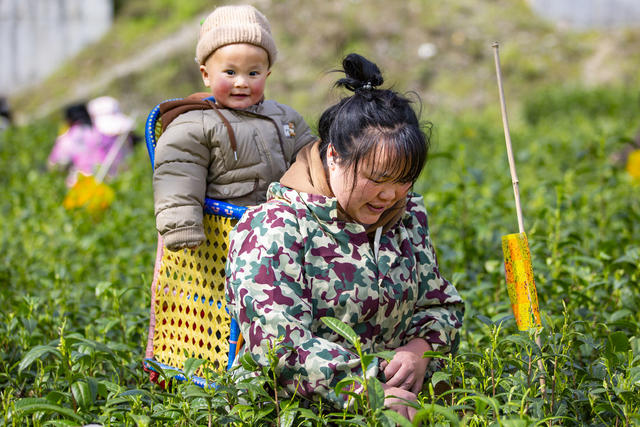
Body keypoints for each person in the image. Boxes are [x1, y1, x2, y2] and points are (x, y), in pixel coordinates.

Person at [226, 53, 464, 420]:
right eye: (377, 178)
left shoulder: (406, 216)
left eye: (404, 180)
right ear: (334, 156)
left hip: (401, 403)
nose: (390, 195)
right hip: (293, 412)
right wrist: (370, 393)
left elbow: (441, 306)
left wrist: (420, 351)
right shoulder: (274, 228)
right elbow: (280, 348)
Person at [153, 4, 316, 252]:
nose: (241, 82)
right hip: (224, 239)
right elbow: (179, 172)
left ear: (267, 75)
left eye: (253, 73)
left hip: (286, 234)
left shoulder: (285, 117)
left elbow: (312, 161)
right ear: (206, 75)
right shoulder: (194, 123)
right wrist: (181, 225)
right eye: (230, 72)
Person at [48, 98, 134, 187]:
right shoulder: (101, 134)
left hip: (84, 186)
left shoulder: (66, 139)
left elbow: (54, 165)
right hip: (115, 179)